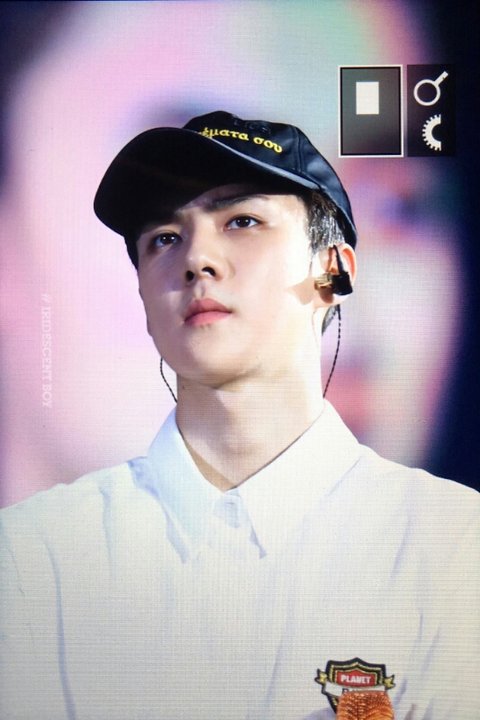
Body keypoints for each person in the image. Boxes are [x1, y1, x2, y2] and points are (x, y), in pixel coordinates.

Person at [0, 110, 478, 720]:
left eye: (242, 221)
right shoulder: (33, 558)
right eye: (163, 238)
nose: (197, 258)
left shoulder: (453, 547)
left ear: (333, 270)